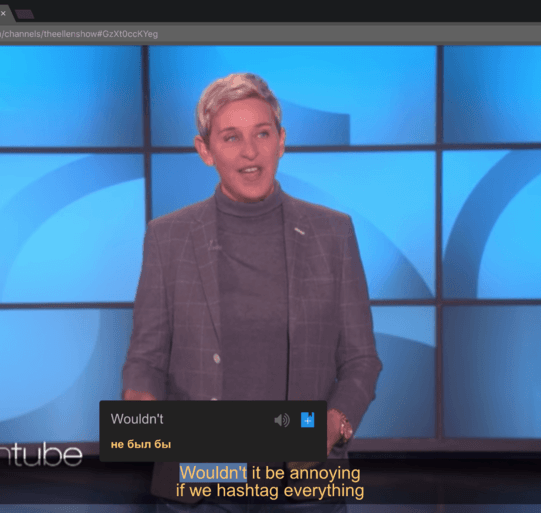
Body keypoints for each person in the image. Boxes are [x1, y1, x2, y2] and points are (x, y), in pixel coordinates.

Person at [122, 72, 382, 512]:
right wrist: (141, 404)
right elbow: (146, 359)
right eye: (231, 137)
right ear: (205, 150)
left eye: (262, 133)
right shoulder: (168, 237)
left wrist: (336, 423)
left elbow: (361, 359)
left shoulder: (333, 233)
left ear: (281, 141)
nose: (250, 151)